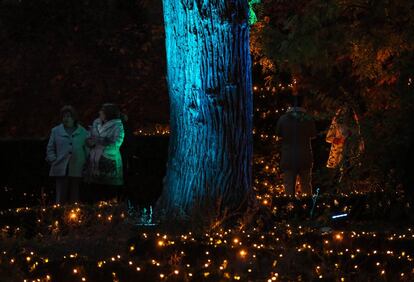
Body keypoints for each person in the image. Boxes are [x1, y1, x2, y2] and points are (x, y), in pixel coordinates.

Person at [46, 105, 88, 205]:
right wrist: (53, 160)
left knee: (75, 197)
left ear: (74, 118)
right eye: (64, 116)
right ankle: (60, 217)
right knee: (60, 197)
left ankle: (75, 218)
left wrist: (87, 163)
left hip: (77, 168)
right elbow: (50, 148)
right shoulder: (56, 131)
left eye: (69, 116)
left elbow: (87, 149)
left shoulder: (83, 132)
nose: (66, 118)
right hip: (61, 168)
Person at [276, 94, 317, 197]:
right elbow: (313, 134)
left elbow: (278, 134)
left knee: (289, 187)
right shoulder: (308, 119)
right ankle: (307, 209)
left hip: (288, 157)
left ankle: (290, 209)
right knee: (306, 186)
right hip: (304, 156)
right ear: (303, 103)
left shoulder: (283, 119)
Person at [84, 103, 125, 202]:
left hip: (108, 163)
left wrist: (98, 142)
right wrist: (89, 142)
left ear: (108, 113)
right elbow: (89, 137)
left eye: (102, 111)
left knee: (109, 195)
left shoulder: (118, 126)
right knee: (95, 194)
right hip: (94, 164)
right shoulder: (96, 124)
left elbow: (116, 143)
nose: (99, 113)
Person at [326, 106, 364, 184]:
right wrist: (340, 140)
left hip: (352, 153)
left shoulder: (356, 125)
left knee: (350, 175)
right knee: (338, 175)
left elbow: (360, 138)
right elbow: (328, 138)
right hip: (339, 153)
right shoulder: (337, 124)